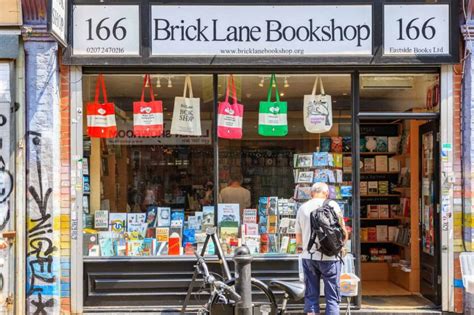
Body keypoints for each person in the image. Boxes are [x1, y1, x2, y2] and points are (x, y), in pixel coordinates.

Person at [295, 182, 348, 315]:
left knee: (311, 297)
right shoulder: (333, 205)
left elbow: (298, 239)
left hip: (309, 257)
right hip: (330, 257)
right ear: (326, 193)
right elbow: (343, 231)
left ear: (311, 193)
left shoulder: (303, 208)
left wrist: (302, 248)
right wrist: (341, 246)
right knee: (332, 298)